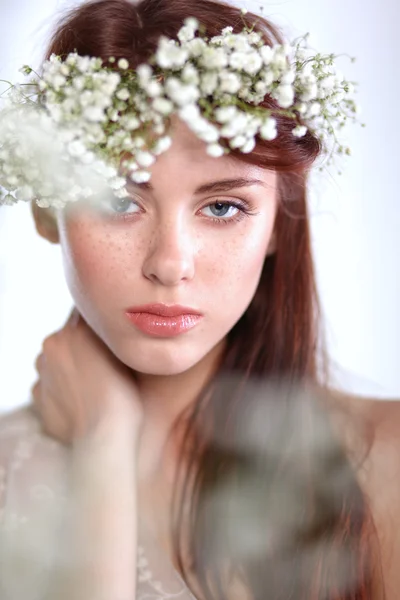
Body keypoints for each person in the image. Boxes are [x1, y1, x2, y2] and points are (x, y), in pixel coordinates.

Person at [0, 0, 397, 598]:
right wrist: (104, 441)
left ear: (277, 226)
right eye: (116, 202)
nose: (169, 263)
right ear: (46, 210)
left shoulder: (387, 462)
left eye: (222, 207)